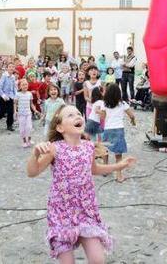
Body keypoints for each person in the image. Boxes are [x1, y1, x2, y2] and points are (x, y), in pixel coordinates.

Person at [26, 105, 136, 262]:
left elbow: (94, 169)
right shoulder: (54, 149)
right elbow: (32, 172)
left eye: (78, 113)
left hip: (86, 209)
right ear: (60, 127)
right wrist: (34, 154)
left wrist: (120, 166)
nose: (77, 116)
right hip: (62, 213)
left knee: (98, 260)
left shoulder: (89, 147)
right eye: (70, 115)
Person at [99, 83, 136, 182]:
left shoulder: (104, 104)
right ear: (119, 93)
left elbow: (102, 117)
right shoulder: (123, 104)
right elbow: (132, 115)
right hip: (119, 129)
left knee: (105, 150)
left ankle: (105, 170)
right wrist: (133, 121)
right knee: (118, 154)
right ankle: (119, 175)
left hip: (108, 129)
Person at [15, 79, 40, 147]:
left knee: (29, 127)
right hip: (21, 114)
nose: (25, 86)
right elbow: (15, 103)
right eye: (23, 85)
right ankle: (24, 141)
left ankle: (29, 139)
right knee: (22, 128)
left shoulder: (29, 94)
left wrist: (35, 110)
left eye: (26, 84)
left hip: (28, 113)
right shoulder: (18, 94)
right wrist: (15, 111)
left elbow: (31, 104)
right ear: (20, 86)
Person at [0, 62, 17, 131]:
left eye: (13, 67)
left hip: (10, 96)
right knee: (3, 111)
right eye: (10, 66)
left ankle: (9, 125)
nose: (11, 68)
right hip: (2, 96)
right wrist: (3, 95)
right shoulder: (4, 76)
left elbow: (14, 87)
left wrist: (15, 95)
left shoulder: (13, 77)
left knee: (10, 111)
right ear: (7, 68)